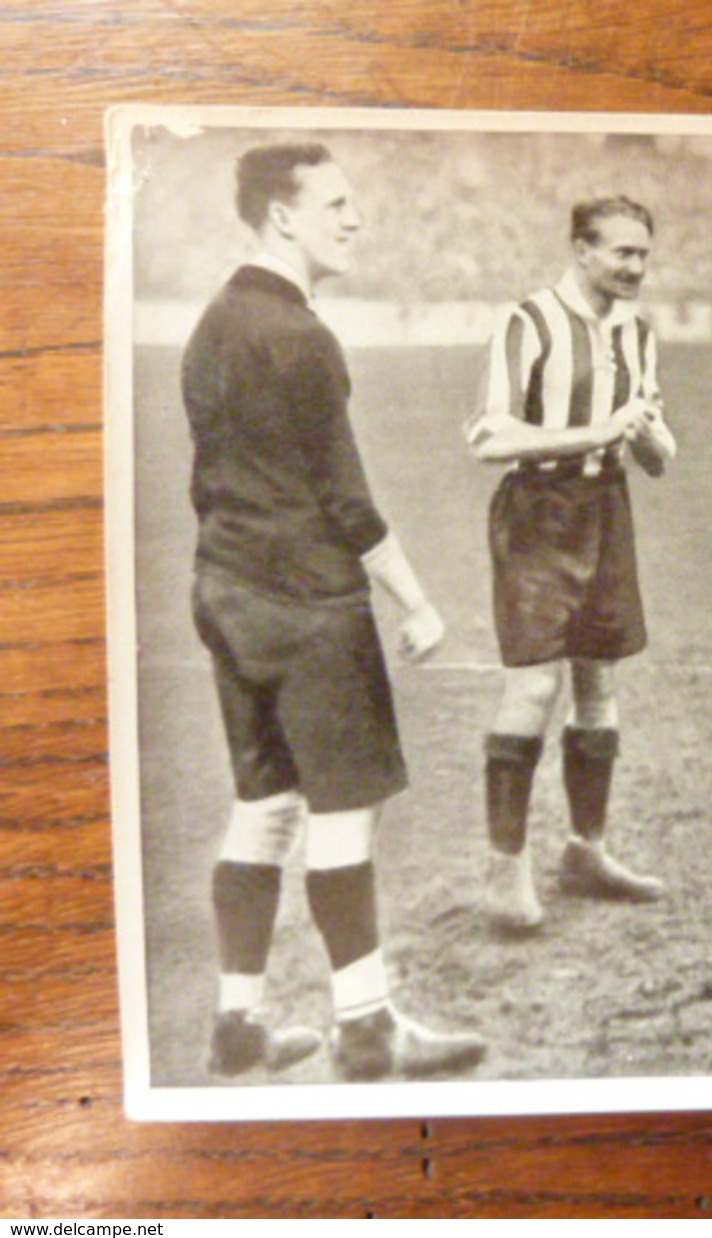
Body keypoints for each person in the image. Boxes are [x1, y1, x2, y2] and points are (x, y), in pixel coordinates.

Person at [183, 142, 486, 1080]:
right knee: (343, 812)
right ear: (283, 215)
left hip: (227, 594)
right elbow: (347, 502)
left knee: (263, 806)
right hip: (309, 602)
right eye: (338, 204)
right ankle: (367, 1028)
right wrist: (420, 601)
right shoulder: (303, 337)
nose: (356, 220)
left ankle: (239, 1026)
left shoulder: (208, 327)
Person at [466, 196, 677, 932]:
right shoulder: (528, 322)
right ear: (581, 250)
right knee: (531, 691)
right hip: (538, 514)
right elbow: (489, 437)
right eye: (622, 253)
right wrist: (596, 429)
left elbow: (655, 455)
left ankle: (587, 850)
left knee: (598, 686)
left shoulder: (638, 332)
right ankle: (505, 874)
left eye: (644, 254)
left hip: (605, 508)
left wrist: (646, 435)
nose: (636, 268)